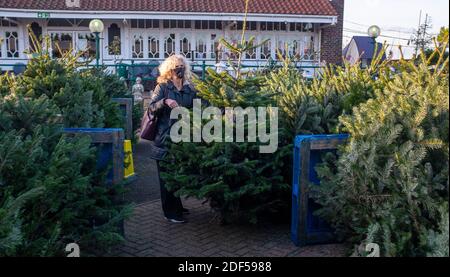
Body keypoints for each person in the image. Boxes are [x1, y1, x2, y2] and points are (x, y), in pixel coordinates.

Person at [147, 54, 198, 224]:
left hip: (182, 139)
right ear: (169, 69)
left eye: (182, 65)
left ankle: (177, 205)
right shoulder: (162, 88)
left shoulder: (190, 89)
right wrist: (165, 101)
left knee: (177, 175)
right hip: (165, 138)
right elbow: (151, 108)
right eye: (176, 66)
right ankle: (170, 212)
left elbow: (199, 108)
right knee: (166, 177)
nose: (179, 68)